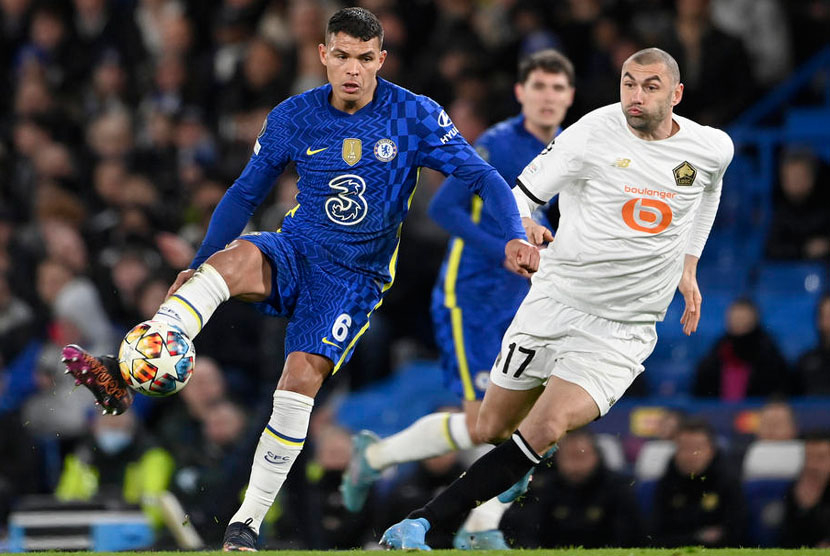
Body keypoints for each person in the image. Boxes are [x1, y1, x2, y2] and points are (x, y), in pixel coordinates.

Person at [59, 7, 539, 551]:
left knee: (296, 387)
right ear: (323, 56)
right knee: (230, 259)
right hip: (295, 249)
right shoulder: (294, 115)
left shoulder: (414, 116)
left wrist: (510, 235)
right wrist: (197, 261)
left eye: (364, 59)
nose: (352, 69)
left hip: (353, 279)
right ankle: (127, 368)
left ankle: (246, 523)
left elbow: (481, 174)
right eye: (341, 56)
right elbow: (245, 193)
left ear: (381, 59)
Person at [380, 47, 734, 550]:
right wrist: (519, 225)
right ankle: (519, 460)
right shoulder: (590, 133)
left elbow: (710, 191)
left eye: (650, 86)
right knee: (490, 428)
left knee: (545, 426)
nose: (636, 96)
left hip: (623, 328)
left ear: (676, 94)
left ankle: (423, 522)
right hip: (557, 300)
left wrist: (689, 265)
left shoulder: (711, 147)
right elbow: (522, 192)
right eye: (628, 83)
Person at [339, 49, 575, 548]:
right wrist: (504, 249)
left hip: (523, 297)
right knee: (488, 424)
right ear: (520, 93)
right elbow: (445, 208)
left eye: (558, 88)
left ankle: (481, 528)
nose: (548, 97)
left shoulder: (569, 150)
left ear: (570, 97)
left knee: (525, 416)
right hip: (469, 296)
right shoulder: (496, 145)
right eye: (539, 87)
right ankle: (379, 461)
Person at [500, 429, 644, 548]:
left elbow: (628, 538)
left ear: (596, 456)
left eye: (581, 457)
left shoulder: (617, 489)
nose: (575, 465)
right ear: (558, 459)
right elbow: (524, 533)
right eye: (568, 457)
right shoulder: (543, 489)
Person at [651, 418, 746, 547]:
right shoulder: (667, 483)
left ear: (711, 451)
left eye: (697, 448)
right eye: (684, 448)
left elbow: (735, 535)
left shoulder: (728, 483)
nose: (690, 455)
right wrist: (698, 538)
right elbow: (655, 536)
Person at [692, 298, 789, 400]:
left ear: (754, 320)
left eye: (743, 319)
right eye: (735, 319)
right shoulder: (716, 354)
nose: (739, 323)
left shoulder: (770, 357)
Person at [779, 429, 830, 547]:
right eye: (808, 458)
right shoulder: (795, 490)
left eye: (821, 458)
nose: (812, 465)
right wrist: (804, 508)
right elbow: (787, 542)